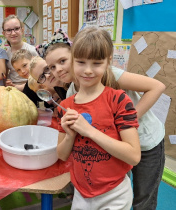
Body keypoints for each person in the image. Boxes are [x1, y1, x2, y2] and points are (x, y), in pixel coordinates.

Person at [63, 38, 166, 210]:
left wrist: (127, 122)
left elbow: (157, 87)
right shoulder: (72, 93)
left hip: (146, 141)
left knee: (143, 198)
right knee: (119, 190)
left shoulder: (110, 75)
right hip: (116, 147)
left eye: (62, 62)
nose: (59, 70)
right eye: (52, 67)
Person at [57, 27, 141, 209]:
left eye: (96, 63)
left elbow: (134, 156)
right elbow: (62, 155)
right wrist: (70, 135)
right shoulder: (65, 106)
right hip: (81, 194)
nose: (87, 70)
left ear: (108, 62)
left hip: (115, 194)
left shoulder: (118, 100)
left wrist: (90, 131)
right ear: (72, 61)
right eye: (81, 62)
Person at [2, 15, 38, 91]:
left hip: (32, 88)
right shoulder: (5, 54)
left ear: (22, 30)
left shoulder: (33, 51)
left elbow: (40, 74)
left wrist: (21, 87)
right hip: (14, 91)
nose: (13, 33)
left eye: (16, 29)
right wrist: (8, 83)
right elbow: (5, 75)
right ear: (4, 33)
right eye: (8, 30)